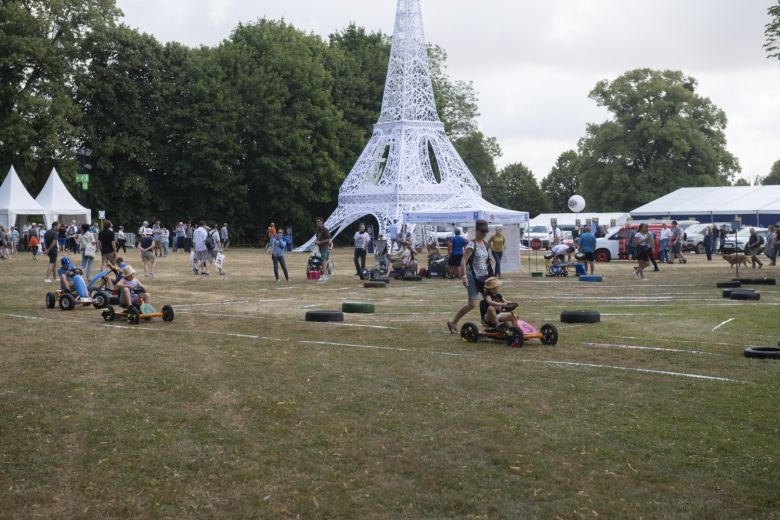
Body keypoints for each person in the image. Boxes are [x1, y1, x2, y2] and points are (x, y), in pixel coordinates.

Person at [447, 219, 492, 334]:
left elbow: (483, 259)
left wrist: (489, 261)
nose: (484, 233)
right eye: (482, 231)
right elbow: (463, 261)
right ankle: (453, 322)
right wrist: (464, 276)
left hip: (484, 277)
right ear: (476, 231)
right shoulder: (472, 244)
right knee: (472, 304)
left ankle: (489, 324)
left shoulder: (486, 244)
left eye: (486, 231)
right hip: (473, 278)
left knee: (489, 301)